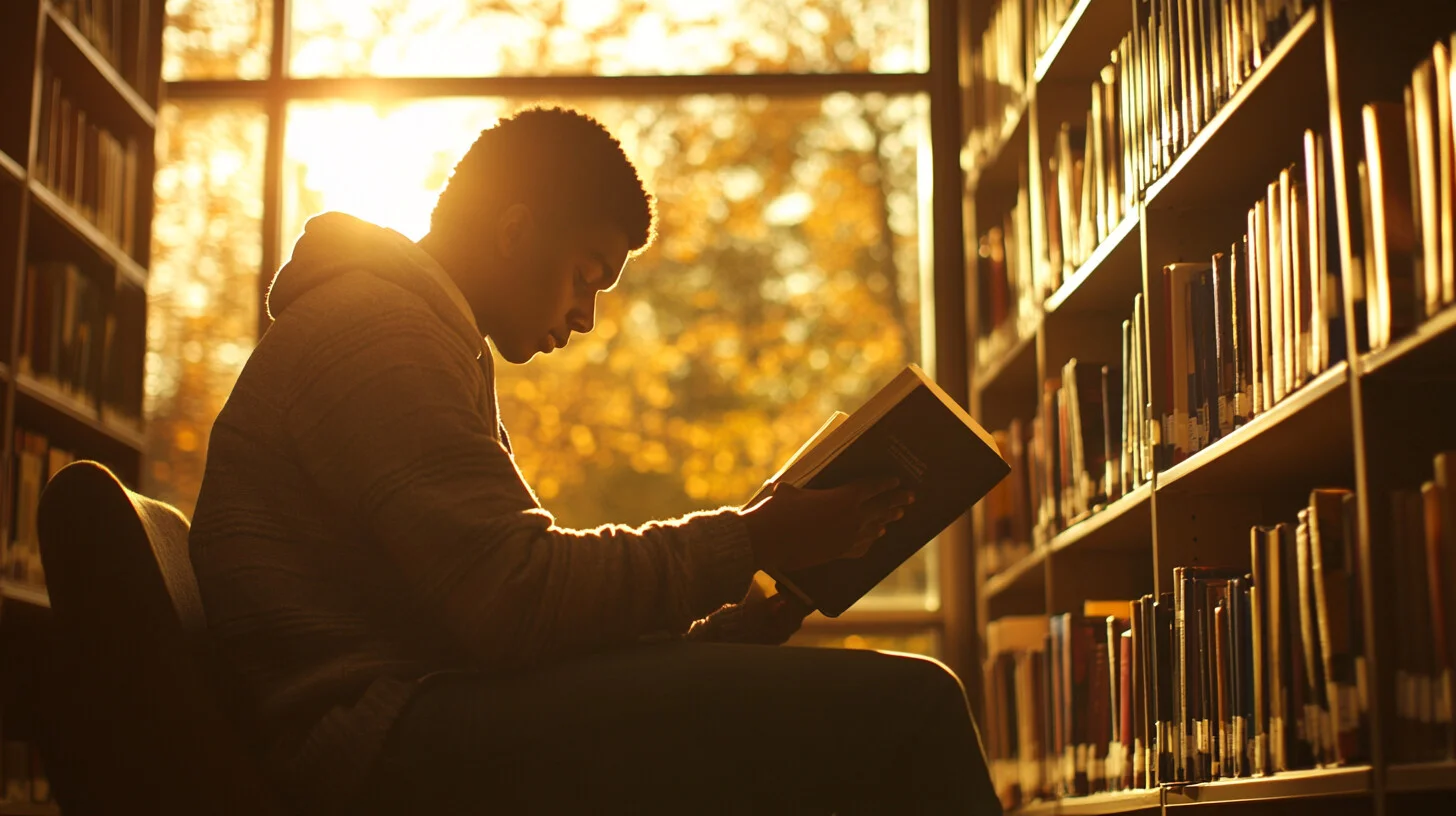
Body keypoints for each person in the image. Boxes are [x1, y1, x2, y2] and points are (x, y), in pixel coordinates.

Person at [189, 105, 1001, 815]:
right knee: (917, 708)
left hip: (420, 712)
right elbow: (515, 598)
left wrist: (718, 633)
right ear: (514, 231)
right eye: (585, 277)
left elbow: (498, 602)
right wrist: (755, 539)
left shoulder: (411, 331)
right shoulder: (379, 334)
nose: (585, 317)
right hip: (386, 741)